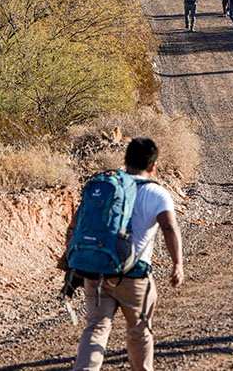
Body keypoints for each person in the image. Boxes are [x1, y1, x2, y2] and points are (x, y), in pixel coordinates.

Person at [71, 138, 184, 371]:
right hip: (134, 276)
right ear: (153, 166)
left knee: (96, 328)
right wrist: (177, 263)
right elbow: (169, 227)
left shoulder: (103, 187)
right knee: (139, 331)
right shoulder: (157, 193)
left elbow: (74, 226)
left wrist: (71, 263)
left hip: (97, 271)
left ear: (125, 161)